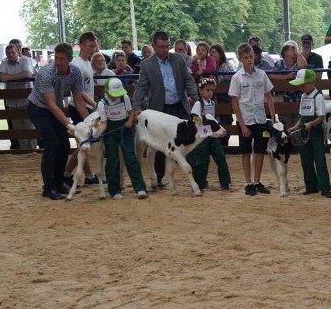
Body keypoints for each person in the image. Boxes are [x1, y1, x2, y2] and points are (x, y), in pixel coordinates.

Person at [132, 31, 199, 188]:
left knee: (192, 137)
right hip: (159, 110)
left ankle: (197, 176)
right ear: (154, 46)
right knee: (161, 145)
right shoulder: (146, 64)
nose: (165, 49)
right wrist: (136, 106)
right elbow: (141, 87)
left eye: (167, 46)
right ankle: (159, 178)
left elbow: (188, 80)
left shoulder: (178, 59)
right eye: (161, 46)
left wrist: (196, 99)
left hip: (179, 106)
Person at [27, 43, 89, 200]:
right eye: (56, 57)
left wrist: (88, 121)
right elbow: (51, 104)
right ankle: (48, 188)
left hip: (55, 109)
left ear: (70, 59)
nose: (58, 61)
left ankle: (60, 183)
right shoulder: (45, 73)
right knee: (52, 144)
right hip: (39, 109)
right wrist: (69, 124)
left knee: (64, 145)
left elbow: (78, 99)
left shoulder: (76, 73)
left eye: (62, 58)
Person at [229, 43, 276, 196]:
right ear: (240, 59)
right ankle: (248, 182)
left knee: (260, 150)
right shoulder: (237, 78)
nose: (249, 60)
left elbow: (269, 96)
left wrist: (273, 117)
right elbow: (234, 102)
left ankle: (257, 181)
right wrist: (242, 125)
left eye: (250, 56)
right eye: (245, 58)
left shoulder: (262, 74)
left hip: (260, 118)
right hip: (246, 118)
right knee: (245, 151)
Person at [94, 78, 148, 200]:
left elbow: (130, 113)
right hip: (110, 132)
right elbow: (103, 123)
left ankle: (140, 188)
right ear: (106, 92)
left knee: (130, 157)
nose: (115, 97)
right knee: (112, 159)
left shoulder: (125, 98)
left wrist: (129, 121)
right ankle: (114, 190)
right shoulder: (102, 104)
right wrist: (96, 134)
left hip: (125, 130)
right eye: (113, 95)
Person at [64, 32, 102, 187]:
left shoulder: (86, 63)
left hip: (85, 106)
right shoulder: (77, 65)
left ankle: (83, 175)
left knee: (85, 143)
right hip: (78, 106)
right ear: (81, 45)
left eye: (94, 45)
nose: (93, 49)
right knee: (84, 143)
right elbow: (79, 91)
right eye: (90, 46)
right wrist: (93, 104)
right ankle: (72, 173)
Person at [288, 69, 331, 198]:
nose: (301, 88)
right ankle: (311, 186)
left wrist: (311, 124)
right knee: (305, 159)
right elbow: (302, 116)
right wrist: (296, 127)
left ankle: (325, 188)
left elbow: (321, 117)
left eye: (303, 85)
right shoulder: (303, 96)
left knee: (319, 160)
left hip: (316, 133)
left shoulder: (318, 96)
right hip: (304, 131)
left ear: (311, 82)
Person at [190, 77, 233, 192]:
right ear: (201, 91)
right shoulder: (198, 104)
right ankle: (200, 183)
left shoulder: (212, 103)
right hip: (202, 134)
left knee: (220, 157)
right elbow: (194, 117)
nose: (210, 93)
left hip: (212, 135)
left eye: (212, 90)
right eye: (207, 90)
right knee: (203, 160)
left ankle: (225, 182)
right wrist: (202, 126)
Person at [0, 42, 37, 150]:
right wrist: (18, 77)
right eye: (8, 53)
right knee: (18, 129)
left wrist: (9, 77)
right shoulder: (4, 62)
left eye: (12, 52)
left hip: (26, 100)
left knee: (30, 127)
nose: (10, 54)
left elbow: (27, 74)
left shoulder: (26, 60)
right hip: (12, 101)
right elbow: (0, 77)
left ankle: (33, 150)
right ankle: (24, 151)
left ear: (17, 52)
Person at [271, 40, 307, 128]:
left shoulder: (297, 63)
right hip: (284, 100)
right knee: (285, 125)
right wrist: (286, 77)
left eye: (295, 49)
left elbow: (303, 66)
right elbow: (270, 75)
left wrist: (298, 54)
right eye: (292, 50)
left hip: (298, 99)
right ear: (285, 52)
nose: (295, 51)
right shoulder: (279, 64)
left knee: (297, 125)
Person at [210, 43, 235, 146]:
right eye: (210, 53)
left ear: (220, 54)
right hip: (213, 101)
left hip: (223, 100)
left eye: (214, 52)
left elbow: (228, 86)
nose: (211, 55)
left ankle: (224, 145)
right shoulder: (210, 67)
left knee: (224, 124)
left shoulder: (226, 67)